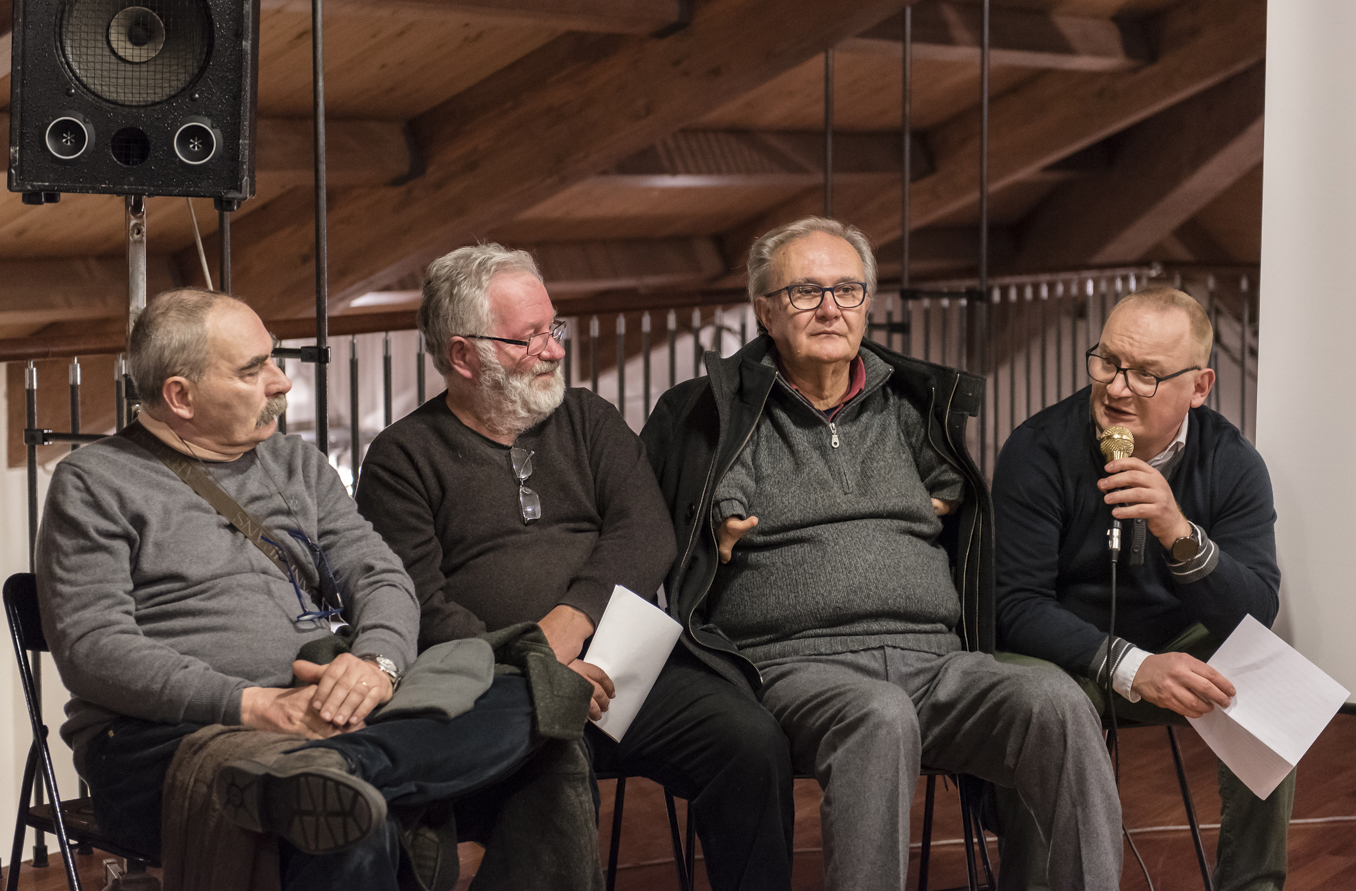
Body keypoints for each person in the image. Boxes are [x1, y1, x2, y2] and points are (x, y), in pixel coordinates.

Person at [36, 288, 601, 891]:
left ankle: (340, 766)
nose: (281, 382)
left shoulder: (297, 464)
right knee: (353, 819)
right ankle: (340, 776)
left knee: (536, 692)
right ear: (180, 396)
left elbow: (379, 574)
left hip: (341, 716)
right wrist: (256, 705)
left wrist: (376, 664)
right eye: (253, 370)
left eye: (273, 361)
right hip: (169, 739)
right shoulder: (95, 482)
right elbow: (94, 649)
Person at [639, 216, 1122, 891]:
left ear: (868, 304)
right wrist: (709, 541)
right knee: (879, 715)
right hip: (795, 669)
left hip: (937, 661)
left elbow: (960, 496)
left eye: (847, 289)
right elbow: (667, 536)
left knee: (1058, 701)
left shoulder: (915, 409)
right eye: (806, 291)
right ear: (765, 312)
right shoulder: (716, 417)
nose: (831, 307)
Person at [354, 244, 796, 891]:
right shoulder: (403, 456)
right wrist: (537, 660)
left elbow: (646, 533)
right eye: (527, 337)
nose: (554, 350)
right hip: (498, 684)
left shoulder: (588, 417)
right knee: (549, 777)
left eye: (552, 328)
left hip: (623, 661)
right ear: (462, 354)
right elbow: (419, 597)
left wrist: (575, 615)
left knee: (749, 740)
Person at [992, 285, 1291, 891]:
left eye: (1147, 375)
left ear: (1199, 388)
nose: (1118, 387)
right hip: (1066, 654)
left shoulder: (1232, 461)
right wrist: (1132, 666)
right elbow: (1013, 606)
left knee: (1272, 681)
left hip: (1177, 643)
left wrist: (1178, 531)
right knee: (1049, 702)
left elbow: (1255, 612)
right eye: (1108, 362)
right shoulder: (1039, 448)